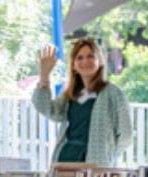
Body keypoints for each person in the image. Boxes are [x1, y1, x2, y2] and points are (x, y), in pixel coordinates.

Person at [32, 38, 132, 166]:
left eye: (91, 56)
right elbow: (46, 108)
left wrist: (108, 156)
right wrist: (44, 75)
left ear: (100, 61)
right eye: (79, 58)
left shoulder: (113, 93)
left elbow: (126, 134)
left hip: (95, 166)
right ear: (73, 65)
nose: (85, 61)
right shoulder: (71, 95)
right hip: (65, 161)